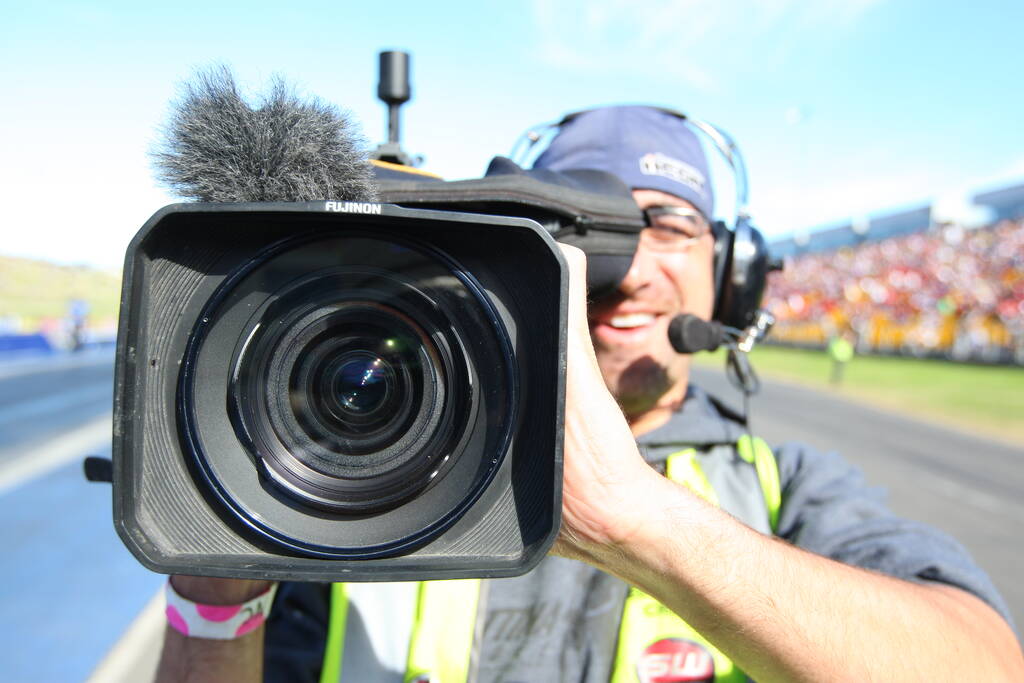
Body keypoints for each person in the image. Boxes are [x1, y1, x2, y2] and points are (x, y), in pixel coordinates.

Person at [155, 106, 1023, 682]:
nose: (629, 270)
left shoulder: (779, 487)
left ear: (732, 273)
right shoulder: (364, 477)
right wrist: (218, 588)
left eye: (669, 224)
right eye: (582, 236)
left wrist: (631, 517)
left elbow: (983, 665)